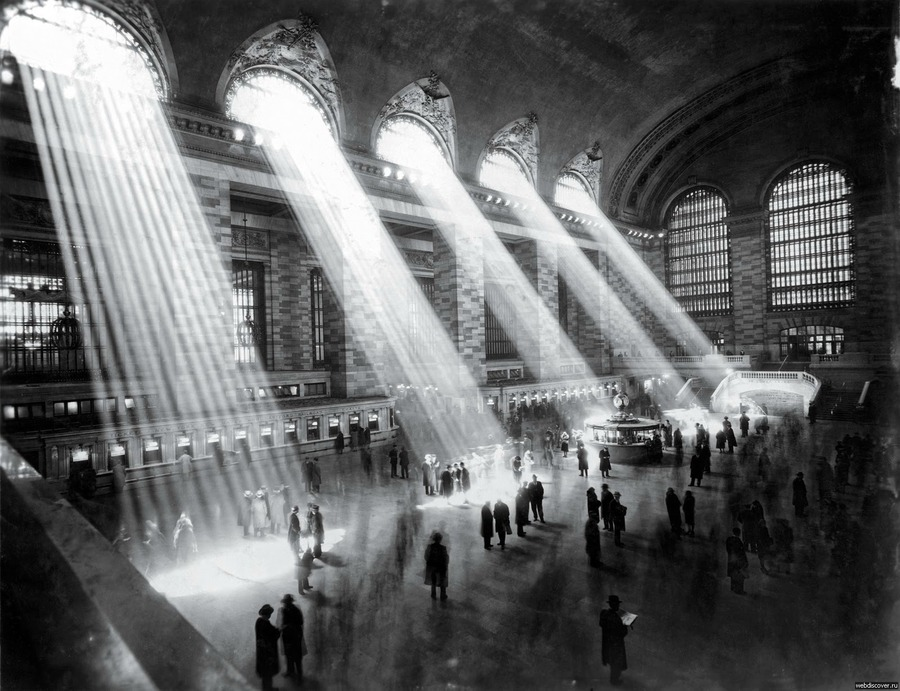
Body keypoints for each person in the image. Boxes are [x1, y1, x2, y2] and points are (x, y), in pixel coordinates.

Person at [598, 595, 629, 685]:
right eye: (614, 604)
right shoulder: (606, 614)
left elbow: (625, 631)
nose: (616, 606)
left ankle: (615, 680)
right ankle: (614, 681)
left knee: (617, 663)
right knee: (614, 663)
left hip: (617, 643)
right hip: (611, 643)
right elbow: (604, 625)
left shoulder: (620, 614)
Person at [276, 594, 306, 680]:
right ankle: (290, 671)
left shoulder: (296, 611)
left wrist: (290, 626)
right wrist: (282, 628)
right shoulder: (284, 610)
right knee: (288, 655)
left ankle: (300, 675)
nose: (284, 604)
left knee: (297, 657)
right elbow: (283, 622)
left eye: (286, 602)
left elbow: (300, 622)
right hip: (287, 637)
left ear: (290, 602)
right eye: (284, 602)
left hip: (295, 637)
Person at [255, 604, 280, 691]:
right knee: (268, 672)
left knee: (265, 672)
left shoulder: (259, 621)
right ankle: (268, 688)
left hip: (261, 652)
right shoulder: (265, 624)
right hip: (267, 653)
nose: (270, 616)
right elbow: (272, 635)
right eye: (270, 614)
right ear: (268, 614)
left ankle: (266, 688)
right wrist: (278, 631)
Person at [424, 532, 449, 600]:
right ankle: (442, 595)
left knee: (433, 581)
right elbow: (446, 558)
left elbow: (426, 556)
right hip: (441, 567)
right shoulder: (443, 548)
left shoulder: (429, 547)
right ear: (440, 539)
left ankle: (433, 594)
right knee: (442, 581)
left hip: (432, 567)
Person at [725, 527, 749, 594]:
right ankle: (739, 590)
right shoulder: (738, 541)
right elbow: (741, 552)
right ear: (739, 533)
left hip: (731, 559)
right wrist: (745, 561)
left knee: (733, 574)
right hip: (738, 561)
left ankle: (733, 587)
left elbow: (728, 549)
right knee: (740, 575)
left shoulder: (729, 539)